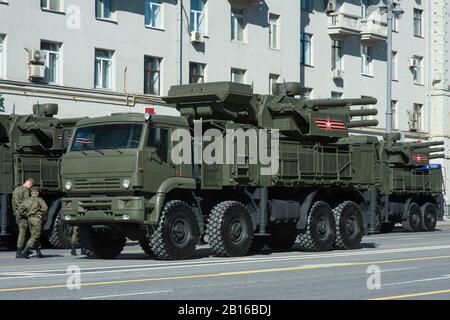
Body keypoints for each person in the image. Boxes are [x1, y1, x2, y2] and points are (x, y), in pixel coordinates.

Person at [18, 187, 48, 259]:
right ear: (37, 193)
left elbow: (20, 209)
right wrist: (41, 215)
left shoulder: (27, 200)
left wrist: (26, 214)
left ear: (31, 193)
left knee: (33, 235)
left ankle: (38, 252)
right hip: (36, 219)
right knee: (35, 235)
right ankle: (25, 251)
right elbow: (45, 208)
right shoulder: (39, 200)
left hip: (29, 219)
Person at [12, 178, 34, 258]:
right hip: (23, 215)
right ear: (30, 184)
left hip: (17, 214)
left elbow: (13, 203)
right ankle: (19, 251)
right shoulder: (26, 191)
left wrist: (16, 212)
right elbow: (27, 204)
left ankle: (23, 250)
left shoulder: (16, 190)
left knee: (22, 232)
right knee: (23, 233)